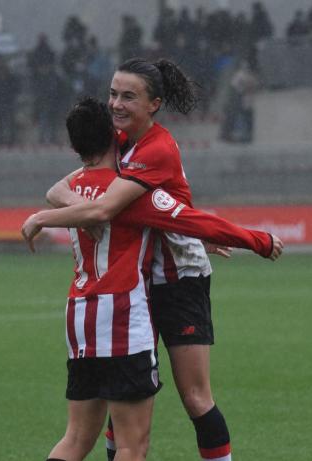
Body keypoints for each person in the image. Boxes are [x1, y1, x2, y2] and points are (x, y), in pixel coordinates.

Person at [41, 58, 280, 461]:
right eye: (113, 94)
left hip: (179, 276)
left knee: (195, 397)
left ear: (154, 104)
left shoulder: (158, 148)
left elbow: (170, 215)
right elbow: (64, 188)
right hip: (135, 283)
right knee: (124, 397)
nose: (116, 104)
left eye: (128, 96)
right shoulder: (115, 142)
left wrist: (75, 212)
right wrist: (87, 205)